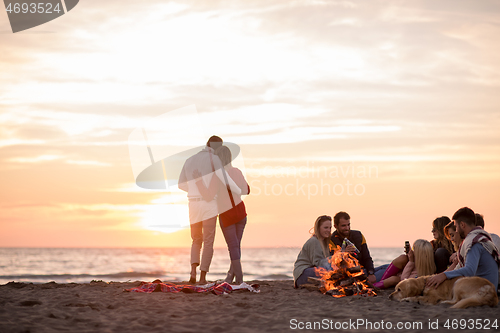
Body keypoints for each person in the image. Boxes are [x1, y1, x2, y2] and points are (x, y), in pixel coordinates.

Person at [178, 136, 242, 284]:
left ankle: (193, 273)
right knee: (208, 241)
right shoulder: (215, 160)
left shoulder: (189, 160)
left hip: (193, 204)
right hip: (209, 205)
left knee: (195, 239)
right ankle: (202, 278)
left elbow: (181, 184)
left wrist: (193, 190)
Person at [193, 145, 250, 284]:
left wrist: (198, 181)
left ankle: (240, 278)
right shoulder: (237, 171)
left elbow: (208, 196)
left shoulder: (216, 176)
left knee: (233, 247)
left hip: (227, 215)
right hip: (241, 213)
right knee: (236, 246)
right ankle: (231, 276)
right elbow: (247, 190)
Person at [427, 207, 500, 292]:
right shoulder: (479, 237)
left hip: (483, 291)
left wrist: (444, 275)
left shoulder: (474, 243)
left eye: (456, 226)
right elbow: (458, 269)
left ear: (462, 225)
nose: (456, 230)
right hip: (486, 288)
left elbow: (469, 270)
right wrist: (440, 276)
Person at [329, 212, 376, 284]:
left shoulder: (358, 235)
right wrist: (343, 253)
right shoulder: (331, 240)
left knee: (387, 267)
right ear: (335, 226)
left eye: (348, 225)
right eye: (343, 226)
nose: (347, 228)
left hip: (364, 271)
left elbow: (367, 258)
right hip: (346, 276)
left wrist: (371, 273)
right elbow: (333, 263)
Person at [293, 215, 332, 288]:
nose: (328, 230)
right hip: (302, 273)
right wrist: (333, 259)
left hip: (310, 271)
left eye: (330, 228)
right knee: (330, 269)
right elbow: (317, 263)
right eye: (325, 228)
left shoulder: (324, 242)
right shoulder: (314, 241)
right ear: (318, 228)